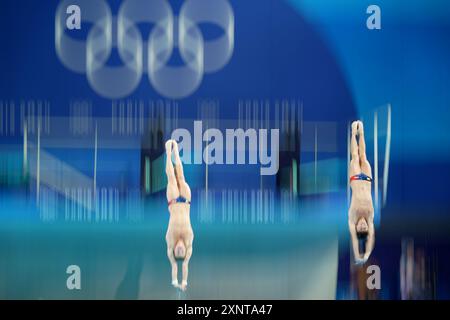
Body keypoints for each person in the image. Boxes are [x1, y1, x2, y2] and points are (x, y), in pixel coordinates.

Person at [165, 139, 194, 291]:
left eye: (179, 251)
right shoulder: (189, 243)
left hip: (174, 201)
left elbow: (175, 265)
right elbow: (185, 264)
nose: (181, 249)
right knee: (181, 177)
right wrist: (185, 282)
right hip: (186, 200)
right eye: (183, 251)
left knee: (171, 178)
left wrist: (175, 281)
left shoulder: (170, 242)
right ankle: (176, 150)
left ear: (174, 250)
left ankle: (168, 154)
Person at [348, 121, 375, 264]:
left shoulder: (352, 219)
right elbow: (371, 237)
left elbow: (354, 239)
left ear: (357, 227)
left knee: (355, 156)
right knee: (363, 156)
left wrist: (359, 254)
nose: (363, 224)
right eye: (365, 227)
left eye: (361, 227)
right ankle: (362, 132)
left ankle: (353, 132)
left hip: (355, 179)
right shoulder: (370, 219)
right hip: (367, 180)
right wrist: (367, 254)